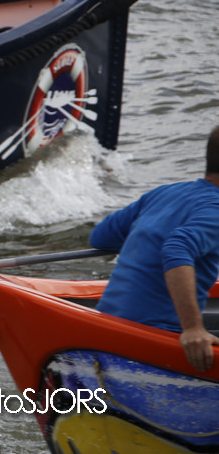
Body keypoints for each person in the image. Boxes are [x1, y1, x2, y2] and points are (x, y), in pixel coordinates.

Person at [90, 125, 219, 373]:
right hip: (153, 339)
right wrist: (193, 329)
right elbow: (176, 248)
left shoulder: (164, 193)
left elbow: (100, 237)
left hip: (104, 328)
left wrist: (147, 237)